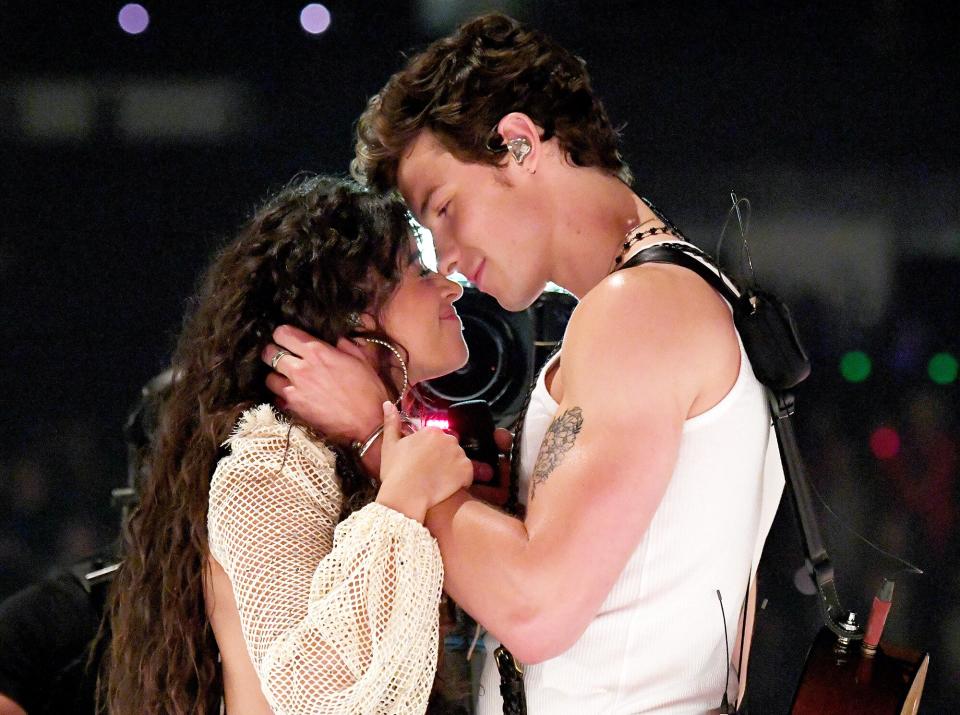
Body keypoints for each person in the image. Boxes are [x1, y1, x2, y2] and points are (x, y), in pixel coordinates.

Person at [262, 14, 785, 714]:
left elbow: (537, 608)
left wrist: (381, 444)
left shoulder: (639, 310)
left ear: (518, 143)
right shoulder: (661, 296)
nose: (444, 256)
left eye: (444, 209)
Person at [103, 175, 475, 714]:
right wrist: (402, 495)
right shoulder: (271, 462)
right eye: (419, 271)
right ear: (351, 312)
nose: (450, 287)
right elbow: (315, 694)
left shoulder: (352, 455)